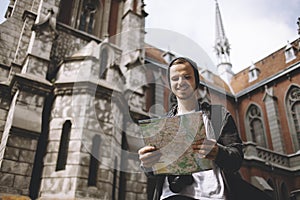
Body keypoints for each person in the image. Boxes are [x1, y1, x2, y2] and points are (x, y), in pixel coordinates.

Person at [138, 57, 271, 200]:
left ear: (197, 81)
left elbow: (236, 160)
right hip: (173, 195)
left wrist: (218, 152)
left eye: (187, 77)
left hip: (213, 196)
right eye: (175, 78)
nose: (181, 82)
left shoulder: (218, 116)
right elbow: (153, 171)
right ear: (170, 84)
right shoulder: (162, 125)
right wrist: (147, 164)